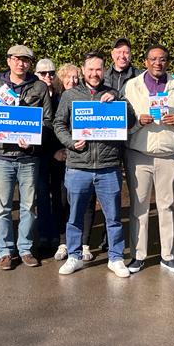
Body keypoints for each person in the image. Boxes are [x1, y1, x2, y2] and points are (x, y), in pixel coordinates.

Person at [53, 52, 132, 278]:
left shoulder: (114, 93)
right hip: (78, 166)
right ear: (83, 70)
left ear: (103, 70)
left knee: (113, 217)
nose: (94, 73)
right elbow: (59, 124)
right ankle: (74, 256)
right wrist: (69, 142)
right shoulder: (70, 95)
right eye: (90, 69)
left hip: (108, 166)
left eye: (98, 69)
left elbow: (132, 120)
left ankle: (116, 258)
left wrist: (117, 102)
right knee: (75, 216)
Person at [123, 45, 174, 274]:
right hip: (139, 154)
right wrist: (136, 123)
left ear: (167, 62)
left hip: (169, 155)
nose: (158, 63)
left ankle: (168, 255)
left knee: (167, 206)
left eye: (162, 59)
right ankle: (138, 255)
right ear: (145, 62)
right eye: (153, 59)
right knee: (139, 208)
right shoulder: (131, 86)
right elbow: (121, 120)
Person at [0, 44, 53, 270]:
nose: (21, 63)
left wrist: (33, 142)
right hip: (3, 156)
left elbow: (48, 122)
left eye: (25, 60)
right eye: (17, 59)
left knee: (28, 206)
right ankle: (5, 251)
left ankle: (25, 249)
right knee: (3, 207)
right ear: (8, 61)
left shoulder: (39, 87)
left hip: (28, 157)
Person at [49, 63, 92, 260]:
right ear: (61, 79)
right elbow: (49, 129)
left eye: (76, 77)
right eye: (68, 77)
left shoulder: (86, 97)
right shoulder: (52, 100)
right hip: (59, 158)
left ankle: (84, 243)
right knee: (61, 201)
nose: (72, 81)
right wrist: (54, 152)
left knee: (86, 200)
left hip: (82, 157)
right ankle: (63, 242)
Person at [35, 58, 67, 257]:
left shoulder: (61, 97)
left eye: (51, 73)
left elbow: (62, 126)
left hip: (58, 155)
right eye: (43, 73)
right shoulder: (31, 95)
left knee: (59, 197)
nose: (48, 77)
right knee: (41, 197)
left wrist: (60, 150)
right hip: (37, 154)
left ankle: (58, 236)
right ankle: (44, 237)